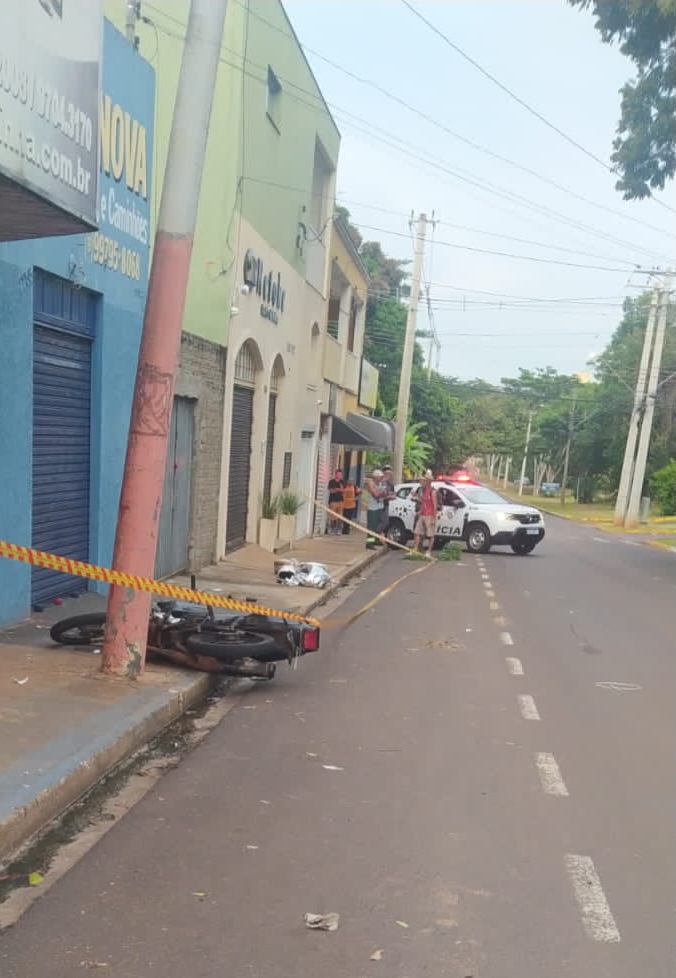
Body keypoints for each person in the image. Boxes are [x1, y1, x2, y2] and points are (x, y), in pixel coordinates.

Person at [412, 470, 438, 554]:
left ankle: (429, 551)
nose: (423, 482)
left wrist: (434, 518)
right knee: (417, 532)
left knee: (430, 534)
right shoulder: (424, 491)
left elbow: (435, 505)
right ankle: (415, 549)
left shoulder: (433, 491)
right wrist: (420, 511)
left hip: (429, 515)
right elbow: (424, 502)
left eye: (425, 480)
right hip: (423, 514)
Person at [365, 468, 386, 546]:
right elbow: (376, 495)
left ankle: (374, 541)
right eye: (380, 477)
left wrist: (382, 492)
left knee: (377, 527)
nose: (381, 478)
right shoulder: (371, 483)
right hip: (372, 509)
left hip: (379, 507)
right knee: (371, 527)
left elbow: (384, 494)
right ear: (375, 477)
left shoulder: (380, 484)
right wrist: (381, 492)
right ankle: (369, 543)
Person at [378, 464, 396, 534]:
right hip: (377, 505)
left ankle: (375, 536)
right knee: (378, 522)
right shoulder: (379, 482)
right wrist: (387, 496)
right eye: (385, 471)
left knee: (385, 522)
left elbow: (394, 495)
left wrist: (390, 496)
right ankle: (372, 537)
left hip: (385, 505)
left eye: (389, 472)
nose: (387, 473)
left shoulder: (390, 484)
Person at [327, 469, 345, 534]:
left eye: (340, 474)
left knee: (340, 516)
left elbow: (343, 490)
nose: (339, 475)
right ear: (336, 474)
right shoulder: (331, 482)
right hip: (333, 501)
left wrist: (336, 489)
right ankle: (331, 528)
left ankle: (338, 529)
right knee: (332, 515)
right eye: (338, 474)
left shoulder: (342, 482)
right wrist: (339, 489)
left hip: (340, 501)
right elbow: (331, 491)